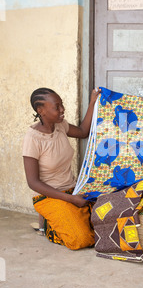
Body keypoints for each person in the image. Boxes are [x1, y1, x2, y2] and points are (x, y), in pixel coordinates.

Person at [23, 87, 99, 250]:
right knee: (81, 239)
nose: (62, 109)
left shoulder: (60, 126)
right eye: (57, 107)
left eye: (61, 104)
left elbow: (83, 131)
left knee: (105, 222)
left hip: (72, 190)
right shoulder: (33, 138)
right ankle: (49, 225)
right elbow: (33, 182)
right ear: (40, 110)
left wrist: (93, 101)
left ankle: (71, 217)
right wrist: (72, 200)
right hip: (49, 197)